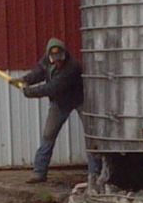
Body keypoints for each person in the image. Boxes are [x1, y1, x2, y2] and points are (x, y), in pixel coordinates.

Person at [10, 38, 101, 185]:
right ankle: (39, 172)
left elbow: (52, 87)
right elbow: (38, 73)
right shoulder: (46, 61)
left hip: (80, 100)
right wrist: (24, 80)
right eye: (55, 59)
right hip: (59, 102)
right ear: (49, 56)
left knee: (91, 137)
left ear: (64, 54)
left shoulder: (73, 67)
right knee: (48, 135)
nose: (58, 61)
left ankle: (94, 173)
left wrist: (29, 92)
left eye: (60, 58)